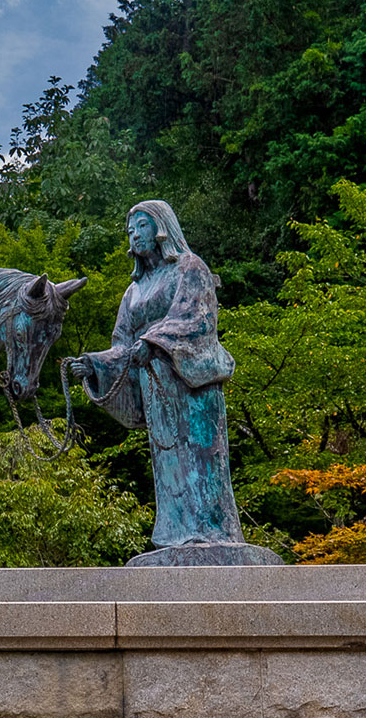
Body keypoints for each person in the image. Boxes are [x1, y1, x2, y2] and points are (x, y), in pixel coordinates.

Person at [66, 200, 260, 556]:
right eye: (130, 230)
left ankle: (211, 531)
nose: (134, 234)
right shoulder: (134, 289)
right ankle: (174, 535)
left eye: (141, 226)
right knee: (167, 462)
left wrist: (153, 342)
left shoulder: (189, 267)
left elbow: (195, 318)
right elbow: (122, 344)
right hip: (154, 384)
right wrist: (94, 364)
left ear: (160, 227)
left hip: (189, 380)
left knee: (200, 458)